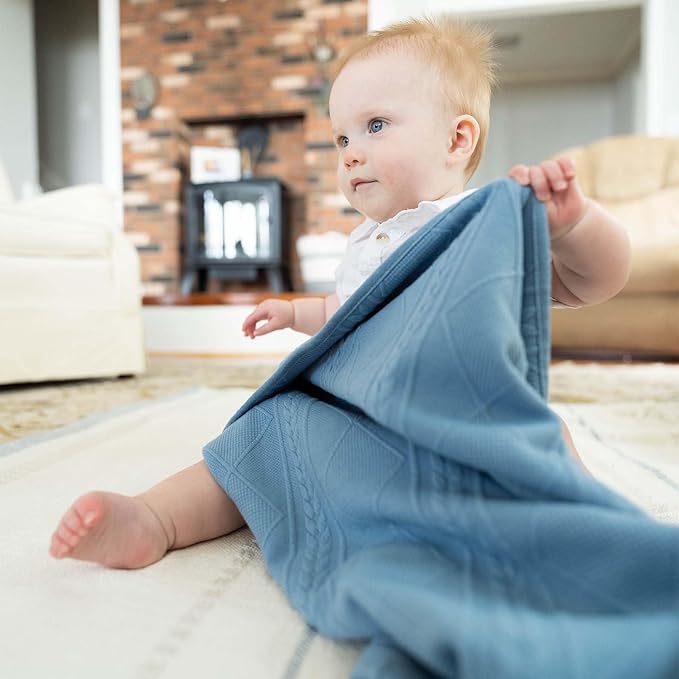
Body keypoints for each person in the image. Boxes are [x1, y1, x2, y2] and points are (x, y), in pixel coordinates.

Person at [49, 16, 629, 570]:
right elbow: (345, 315)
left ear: (457, 139)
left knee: (543, 444)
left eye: (375, 126)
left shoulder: (485, 224)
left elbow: (592, 282)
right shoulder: (365, 244)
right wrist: (293, 312)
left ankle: (589, 531)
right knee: (262, 436)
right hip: (360, 426)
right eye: (341, 137)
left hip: (464, 426)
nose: (350, 151)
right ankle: (156, 519)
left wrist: (574, 225)